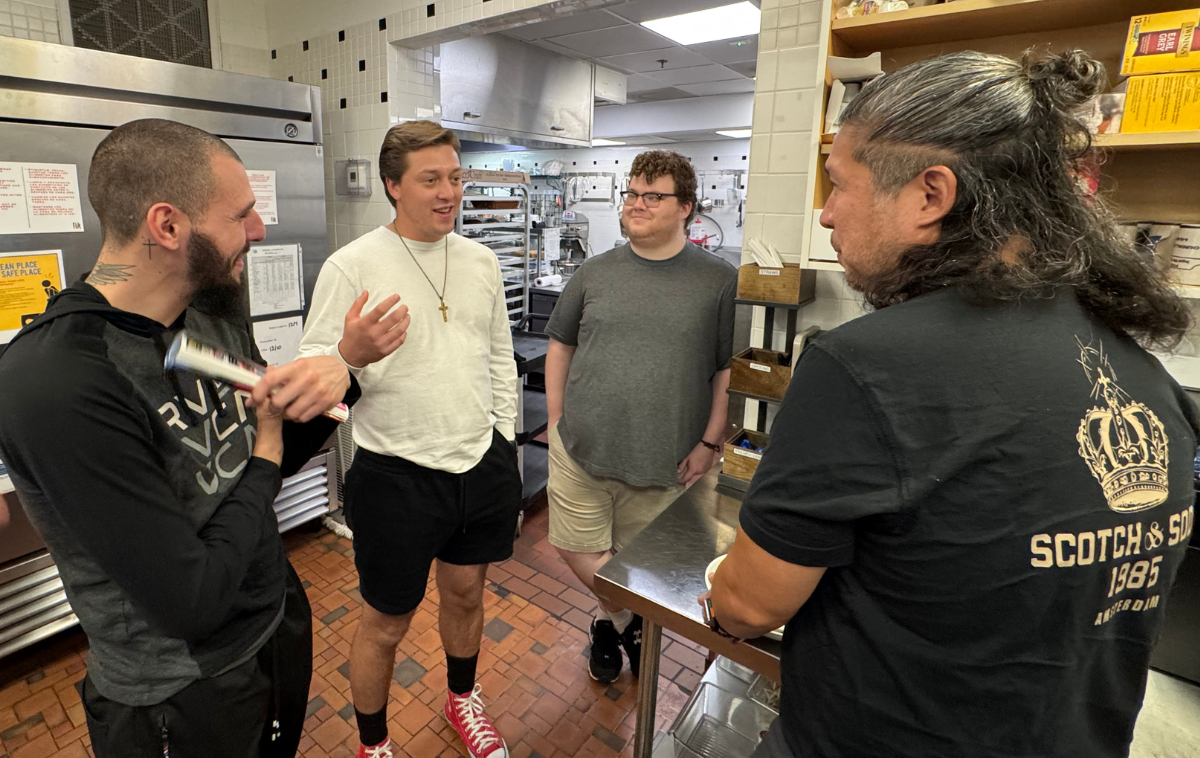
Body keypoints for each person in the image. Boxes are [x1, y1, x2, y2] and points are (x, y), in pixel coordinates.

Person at [704, 49, 1200, 758]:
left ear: (931, 195)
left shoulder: (866, 365)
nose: (826, 210)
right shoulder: (1146, 377)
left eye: (841, 185)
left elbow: (752, 606)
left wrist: (724, 594)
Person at [0, 119, 395, 757]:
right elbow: (192, 601)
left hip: (273, 627)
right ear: (167, 225)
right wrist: (269, 444)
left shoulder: (209, 315)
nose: (260, 230)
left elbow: (257, 459)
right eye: (241, 215)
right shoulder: (60, 379)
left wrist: (344, 372)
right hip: (178, 694)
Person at [297, 120, 520, 758]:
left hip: (481, 463)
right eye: (431, 180)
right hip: (394, 475)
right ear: (394, 186)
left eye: (454, 176)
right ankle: (374, 744)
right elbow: (319, 373)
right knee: (386, 623)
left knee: (466, 592)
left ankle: (461, 699)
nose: (449, 191)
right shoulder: (354, 265)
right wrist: (349, 354)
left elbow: (499, 357)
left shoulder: (479, 260)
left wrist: (503, 436)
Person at [545, 150, 737, 683]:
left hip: (663, 460)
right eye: (631, 193)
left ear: (687, 209)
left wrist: (710, 442)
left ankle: (611, 623)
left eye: (652, 195)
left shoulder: (718, 281)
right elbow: (560, 344)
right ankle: (626, 622)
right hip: (580, 450)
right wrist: (559, 422)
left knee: (637, 570)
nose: (636, 204)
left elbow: (725, 370)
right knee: (574, 547)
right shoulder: (595, 270)